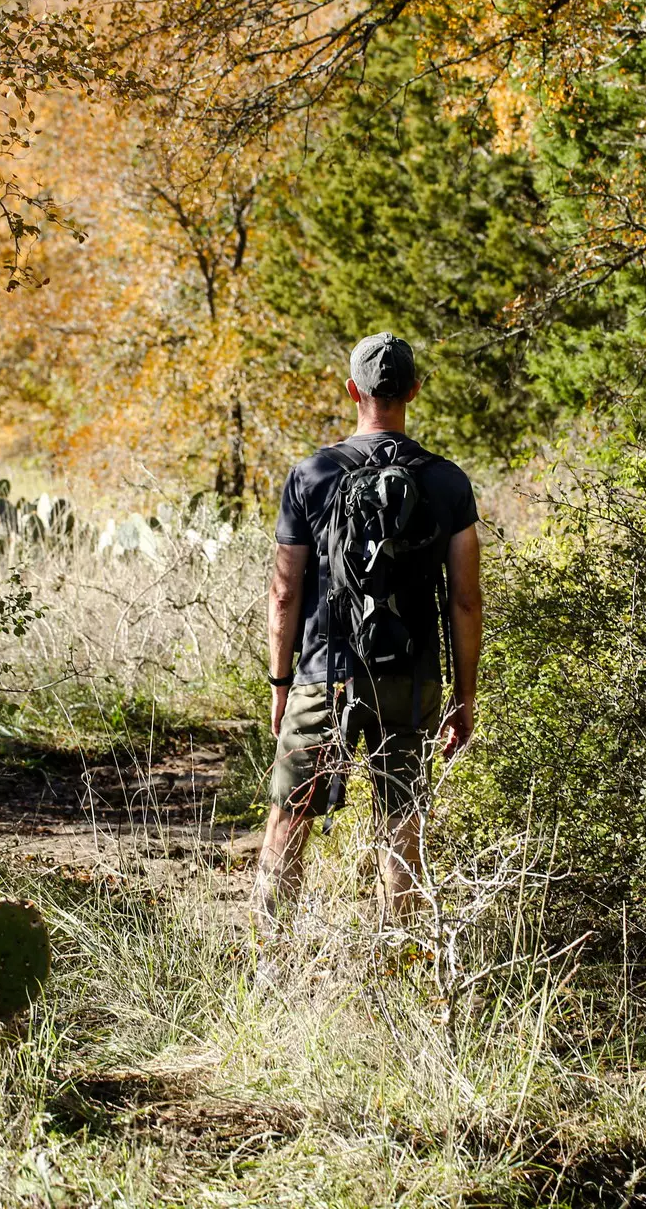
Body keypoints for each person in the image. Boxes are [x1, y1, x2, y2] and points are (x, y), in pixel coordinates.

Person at [253, 332, 483, 934]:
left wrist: (281, 683)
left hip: (324, 677)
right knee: (401, 826)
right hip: (411, 680)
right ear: (414, 390)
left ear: (352, 389)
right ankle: (394, 967)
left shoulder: (311, 474)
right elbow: (464, 599)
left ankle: (270, 958)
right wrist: (463, 697)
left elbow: (284, 592)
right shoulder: (448, 483)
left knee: (288, 817)